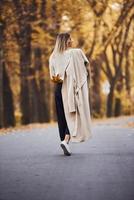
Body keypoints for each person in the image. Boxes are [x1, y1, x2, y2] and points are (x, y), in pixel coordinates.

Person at [49, 32, 92, 156]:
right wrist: (83, 80)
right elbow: (86, 66)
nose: (72, 40)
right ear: (66, 41)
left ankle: (64, 139)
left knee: (62, 115)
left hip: (58, 88)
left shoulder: (53, 56)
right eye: (70, 38)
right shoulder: (76, 53)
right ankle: (67, 140)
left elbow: (53, 76)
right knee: (73, 114)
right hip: (69, 88)